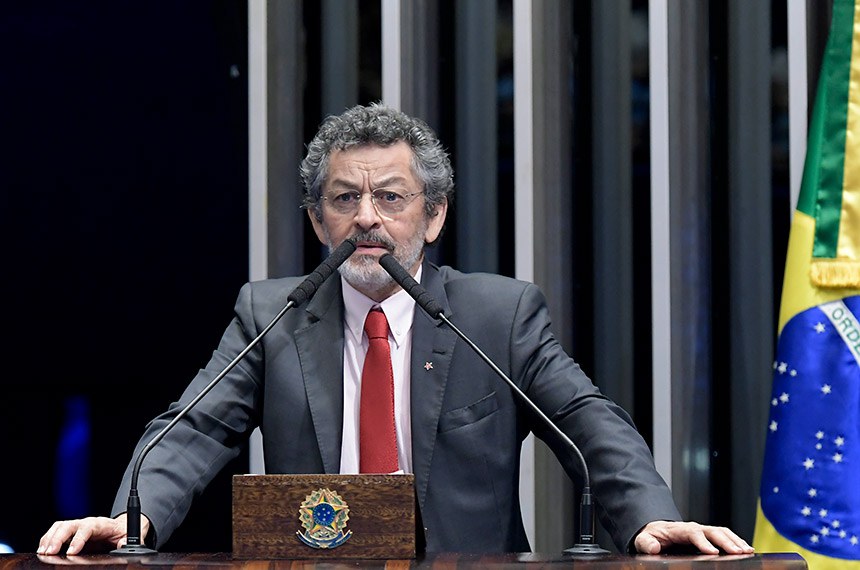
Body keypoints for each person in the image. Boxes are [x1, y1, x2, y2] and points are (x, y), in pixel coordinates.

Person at [38, 103, 753, 557]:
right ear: (318, 221)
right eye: (344, 199)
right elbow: (191, 430)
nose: (366, 218)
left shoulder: (496, 315)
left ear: (432, 216)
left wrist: (648, 517)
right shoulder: (272, 313)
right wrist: (131, 520)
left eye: (390, 197)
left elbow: (587, 423)